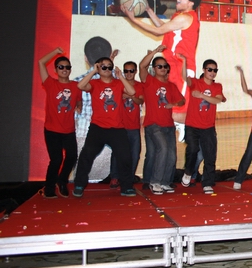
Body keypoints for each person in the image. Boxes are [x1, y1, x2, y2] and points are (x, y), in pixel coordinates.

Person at [121, 0, 201, 126]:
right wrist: (149, 10)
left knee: (178, 110)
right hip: (172, 66)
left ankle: (194, 130)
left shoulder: (186, 17)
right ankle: (181, 128)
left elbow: (158, 32)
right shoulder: (179, 16)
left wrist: (133, 19)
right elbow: (163, 27)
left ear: (191, 3)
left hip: (182, 68)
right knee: (168, 106)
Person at [72, 57, 137, 197]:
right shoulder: (94, 83)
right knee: (86, 155)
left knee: (125, 157)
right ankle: (79, 184)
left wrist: (121, 76)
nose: (107, 69)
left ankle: (126, 187)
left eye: (109, 67)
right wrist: (93, 71)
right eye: (103, 67)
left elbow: (132, 92)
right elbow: (80, 86)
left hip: (117, 128)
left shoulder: (118, 83)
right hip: (98, 127)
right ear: (98, 68)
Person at [139, 45, 185, 195]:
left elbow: (182, 100)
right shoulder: (149, 81)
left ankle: (165, 182)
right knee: (162, 149)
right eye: (159, 66)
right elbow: (142, 66)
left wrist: (174, 104)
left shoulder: (171, 86)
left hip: (169, 126)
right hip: (153, 124)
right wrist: (154, 52)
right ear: (154, 68)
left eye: (165, 66)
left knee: (171, 155)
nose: (163, 68)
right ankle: (155, 182)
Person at [38, 47, 83, 198]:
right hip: (52, 130)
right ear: (56, 70)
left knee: (72, 156)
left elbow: (78, 100)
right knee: (56, 160)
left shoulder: (76, 86)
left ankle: (62, 181)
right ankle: (49, 188)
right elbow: (41, 62)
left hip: (68, 130)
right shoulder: (50, 83)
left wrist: (79, 105)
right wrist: (55, 52)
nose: (64, 69)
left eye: (67, 67)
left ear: (70, 70)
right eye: (61, 67)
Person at [179, 56, 224, 195]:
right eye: (210, 69)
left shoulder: (217, 86)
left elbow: (217, 100)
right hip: (192, 125)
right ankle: (188, 172)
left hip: (208, 127)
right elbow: (184, 77)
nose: (212, 72)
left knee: (210, 155)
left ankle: (207, 183)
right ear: (204, 70)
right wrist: (184, 62)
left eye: (215, 70)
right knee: (193, 149)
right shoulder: (195, 83)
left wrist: (202, 96)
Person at [109, 61, 144, 189]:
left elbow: (140, 100)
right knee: (117, 152)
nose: (129, 73)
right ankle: (114, 177)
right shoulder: (118, 84)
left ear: (135, 72)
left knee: (135, 153)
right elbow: (114, 97)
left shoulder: (140, 85)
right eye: (126, 71)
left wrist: (130, 96)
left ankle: (129, 177)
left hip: (134, 125)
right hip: (120, 125)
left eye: (131, 71)